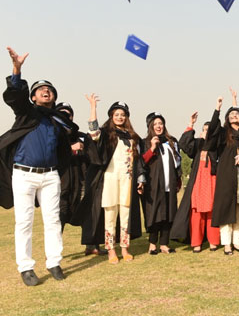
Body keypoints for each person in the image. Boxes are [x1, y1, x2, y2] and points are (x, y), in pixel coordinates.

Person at [0, 47, 79, 286]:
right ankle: (26, 267)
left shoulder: (57, 121)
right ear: (33, 97)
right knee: (24, 222)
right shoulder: (27, 114)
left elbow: (65, 146)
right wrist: (17, 69)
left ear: (54, 97)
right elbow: (15, 97)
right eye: (40, 89)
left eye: (50, 90)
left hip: (50, 177)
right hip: (24, 175)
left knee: (53, 220)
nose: (46, 91)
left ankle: (54, 262)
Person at [81, 96, 145, 264]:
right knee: (110, 215)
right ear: (111, 116)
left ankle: (125, 248)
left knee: (125, 216)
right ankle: (111, 249)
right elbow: (93, 132)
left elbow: (138, 159)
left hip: (127, 180)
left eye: (122, 114)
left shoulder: (132, 136)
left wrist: (140, 178)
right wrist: (93, 107)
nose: (120, 117)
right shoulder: (106, 134)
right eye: (116, 114)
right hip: (109, 179)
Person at [54, 102, 106, 256]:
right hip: (61, 183)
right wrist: (70, 148)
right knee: (59, 217)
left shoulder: (82, 136)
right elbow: (47, 154)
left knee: (89, 212)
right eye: (61, 114)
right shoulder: (52, 135)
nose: (66, 117)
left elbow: (95, 148)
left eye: (68, 114)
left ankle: (92, 245)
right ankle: (53, 252)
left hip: (82, 182)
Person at [208, 93, 239, 255]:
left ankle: (237, 243)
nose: (234, 115)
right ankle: (227, 244)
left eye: (237, 113)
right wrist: (217, 109)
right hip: (226, 178)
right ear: (227, 118)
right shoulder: (223, 134)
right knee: (226, 211)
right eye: (231, 114)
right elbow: (212, 131)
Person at [170, 113, 220, 252]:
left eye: (208, 130)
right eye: (204, 130)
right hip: (198, 182)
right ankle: (196, 242)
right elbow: (184, 144)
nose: (206, 132)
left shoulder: (217, 146)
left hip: (212, 181)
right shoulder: (197, 145)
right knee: (196, 213)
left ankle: (213, 241)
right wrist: (191, 124)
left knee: (212, 212)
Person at [141, 112, 181, 255]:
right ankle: (152, 244)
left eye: (161, 123)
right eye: (155, 124)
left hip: (169, 184)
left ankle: (164, 244)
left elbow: (177, 163)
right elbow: (141, 162)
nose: (158, 126)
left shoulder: (171, 142)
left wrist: (178, 180)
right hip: (153, 186)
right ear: (150, 126)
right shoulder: (145, 142)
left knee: (169, 214)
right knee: (155, 215)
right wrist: (152, 148)